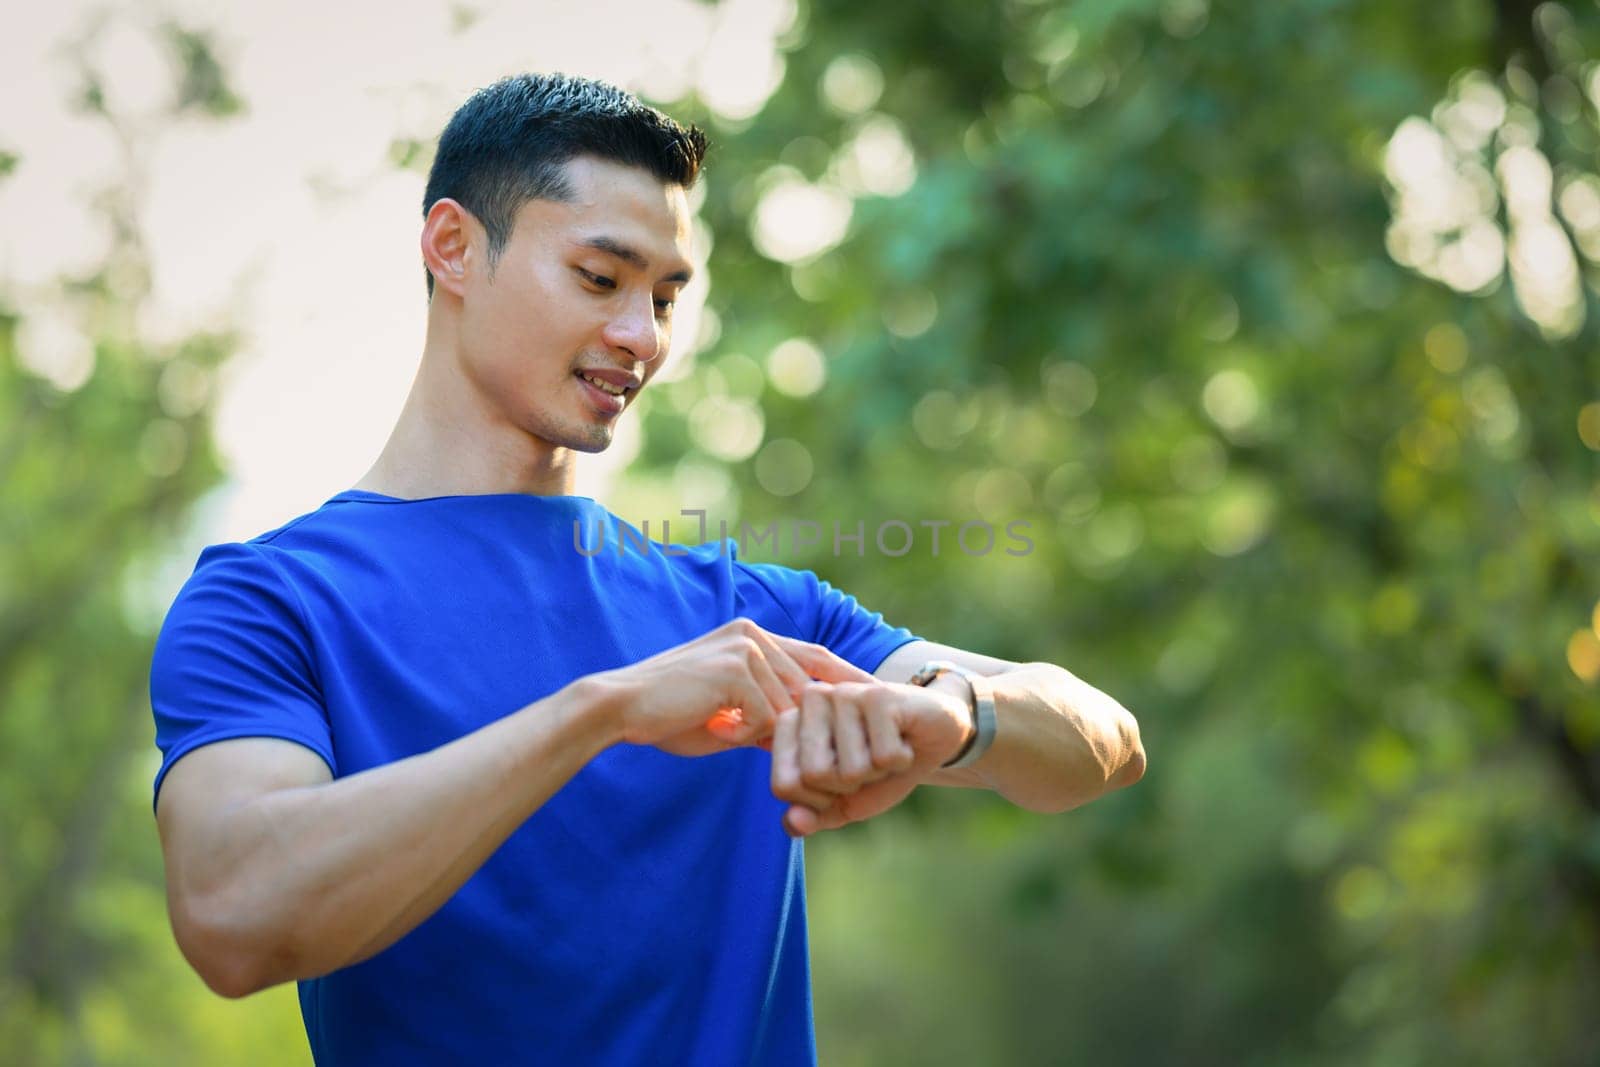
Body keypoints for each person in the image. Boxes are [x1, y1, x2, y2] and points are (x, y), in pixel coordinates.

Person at [149, 72, 1146, 1066]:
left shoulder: (747, 614)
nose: (643, 337)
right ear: (452, 247)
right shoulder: (268, 601)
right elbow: (234, 916)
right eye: (600, 278)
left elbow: (1105, 737)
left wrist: (957, 715)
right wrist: (601, 710)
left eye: (666, 296)